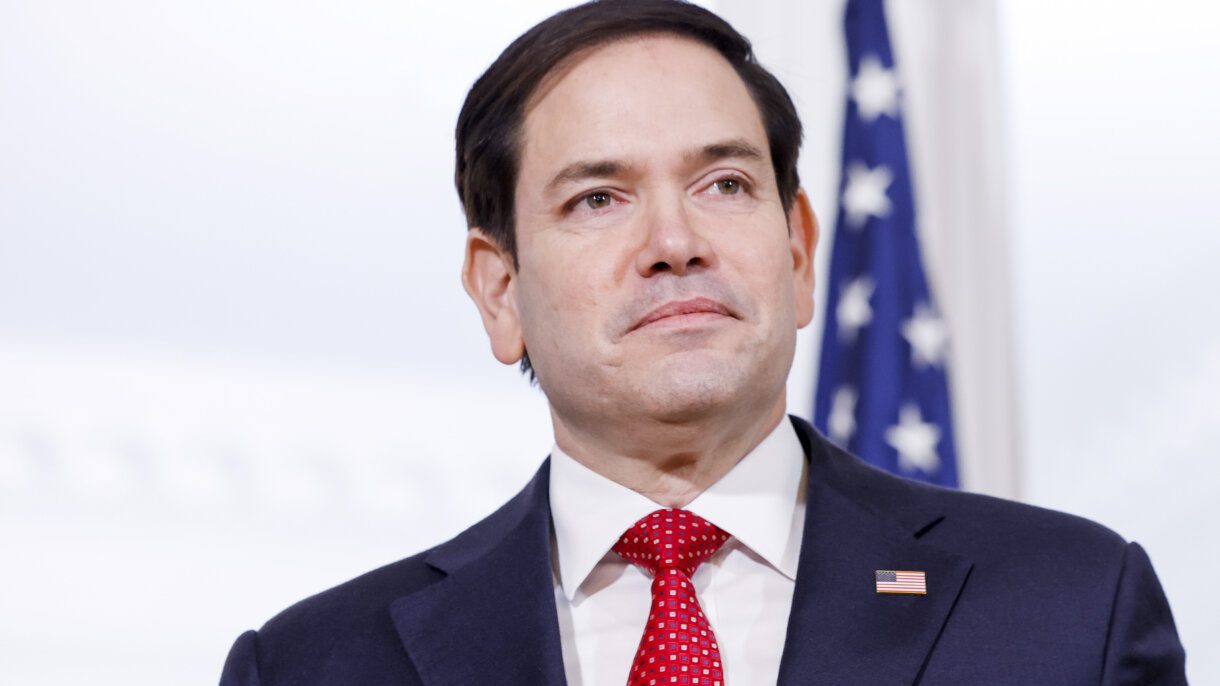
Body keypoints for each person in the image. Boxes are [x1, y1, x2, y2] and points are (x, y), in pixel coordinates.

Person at [219, 1, 1187, 684]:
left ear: (799, 252)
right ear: (499, 290)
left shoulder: (1072, 608)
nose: (674, 242)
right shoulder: (311, 665)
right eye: (597, 198)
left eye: (723, 184)